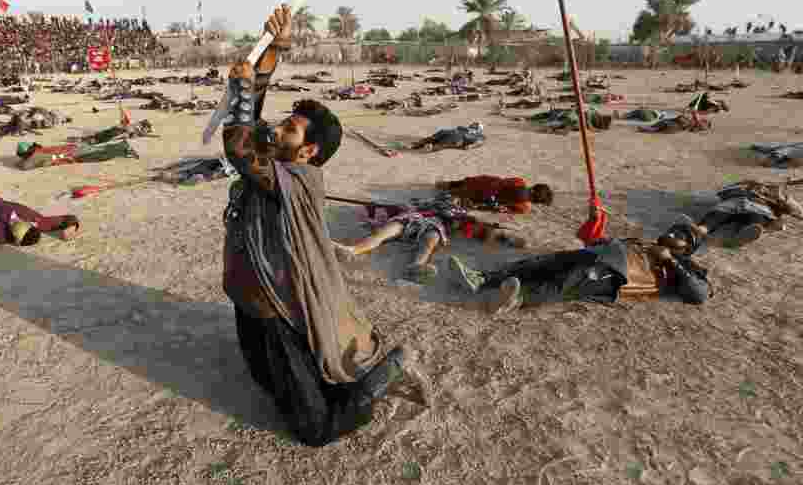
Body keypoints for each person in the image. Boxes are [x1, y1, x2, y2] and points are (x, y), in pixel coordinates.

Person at [221, 4, 426, 447]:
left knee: (314, 428)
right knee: (263, 382)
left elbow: (238, 145)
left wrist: (238, 91)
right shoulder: (276, 160)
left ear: (309, 151)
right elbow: (250, 124)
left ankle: (377, 380)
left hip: (277, 306)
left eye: (290, 129)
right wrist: (271, 53)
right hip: (247, 296)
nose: (277, 131)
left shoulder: (298, 177)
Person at [448, 237, 711, 314]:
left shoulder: (686, 266)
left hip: (614, 274)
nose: (673, 234)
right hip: (598, 253)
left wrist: (671, 261)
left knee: (566, 282)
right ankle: (482, 279)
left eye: (679, 236)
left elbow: (699, 294)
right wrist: (600, 235)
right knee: (539, 263)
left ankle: (516, 299)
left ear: (686, 249)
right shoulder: (646, 243)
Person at [332, 192, 527, 283]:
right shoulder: (425, 204)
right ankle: (352, 250)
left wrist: (508, 238)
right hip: (412, 219)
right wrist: (375, 209)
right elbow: (396, 207)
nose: (453, 200)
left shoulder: (462, 216)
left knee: (429, 242)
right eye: (452, 199)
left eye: (457, 201)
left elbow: (480, 231)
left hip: (436, 227)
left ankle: (415, 267)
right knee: (384, 232)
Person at [657, 180, 802, 253]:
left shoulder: (779, 195)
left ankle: (746, 233)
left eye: (767, 188)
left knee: (756, 219)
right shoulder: (748, 185)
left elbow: (797, 210)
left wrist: (781, 199)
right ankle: (703, 229)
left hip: (759, 208)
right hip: (735, 202)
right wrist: (744, 186)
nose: (764, 188)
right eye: (763, 186)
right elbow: (721, 192)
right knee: (719, 213)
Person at [434, 175, 553, 214]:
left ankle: (448, 185)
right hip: (477, 199)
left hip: (478, 184)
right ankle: (450, 192)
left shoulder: (519, 181)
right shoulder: (524, 207)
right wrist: (480, 206)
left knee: (458, 185)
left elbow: (497, 183)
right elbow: (499, 209)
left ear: (533, 187)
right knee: (454, 195)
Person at [408, 122, 485, 151]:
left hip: (457, 137)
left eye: (475, 125)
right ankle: (419, 145)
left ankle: (428, 146)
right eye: (473, 124)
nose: (472, 125)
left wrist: (471, 146)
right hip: (453, 135)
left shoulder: (478, 135)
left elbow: (479, 142)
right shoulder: (463, 128)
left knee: (443, 142)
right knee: (439, 138)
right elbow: (478, 142)